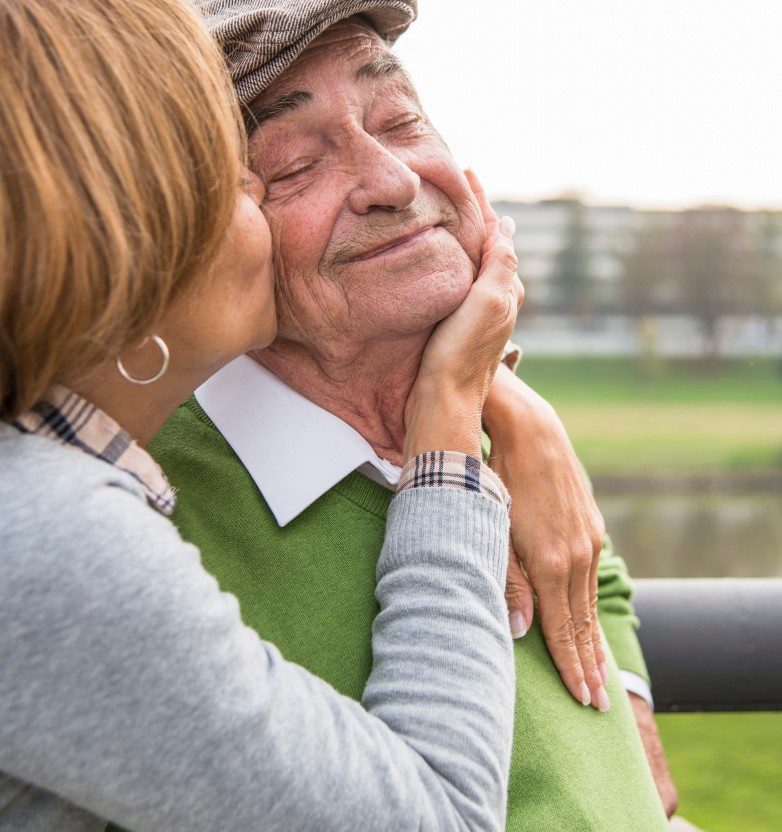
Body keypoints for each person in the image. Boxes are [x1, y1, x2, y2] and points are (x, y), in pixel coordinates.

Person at [0, 1, 527, 830]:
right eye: (262, 177)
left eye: (403, 120)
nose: (392, 183)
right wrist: (451, 440)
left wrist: (499, 403)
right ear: (124, 246)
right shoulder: (46, 535)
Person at [150, 3, 676, 830]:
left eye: (400, 119)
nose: (394, 182)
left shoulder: (479, 397)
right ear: (200, 234)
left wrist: (634, 733)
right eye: (291, 167)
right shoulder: (145, 513)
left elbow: (589, 565)